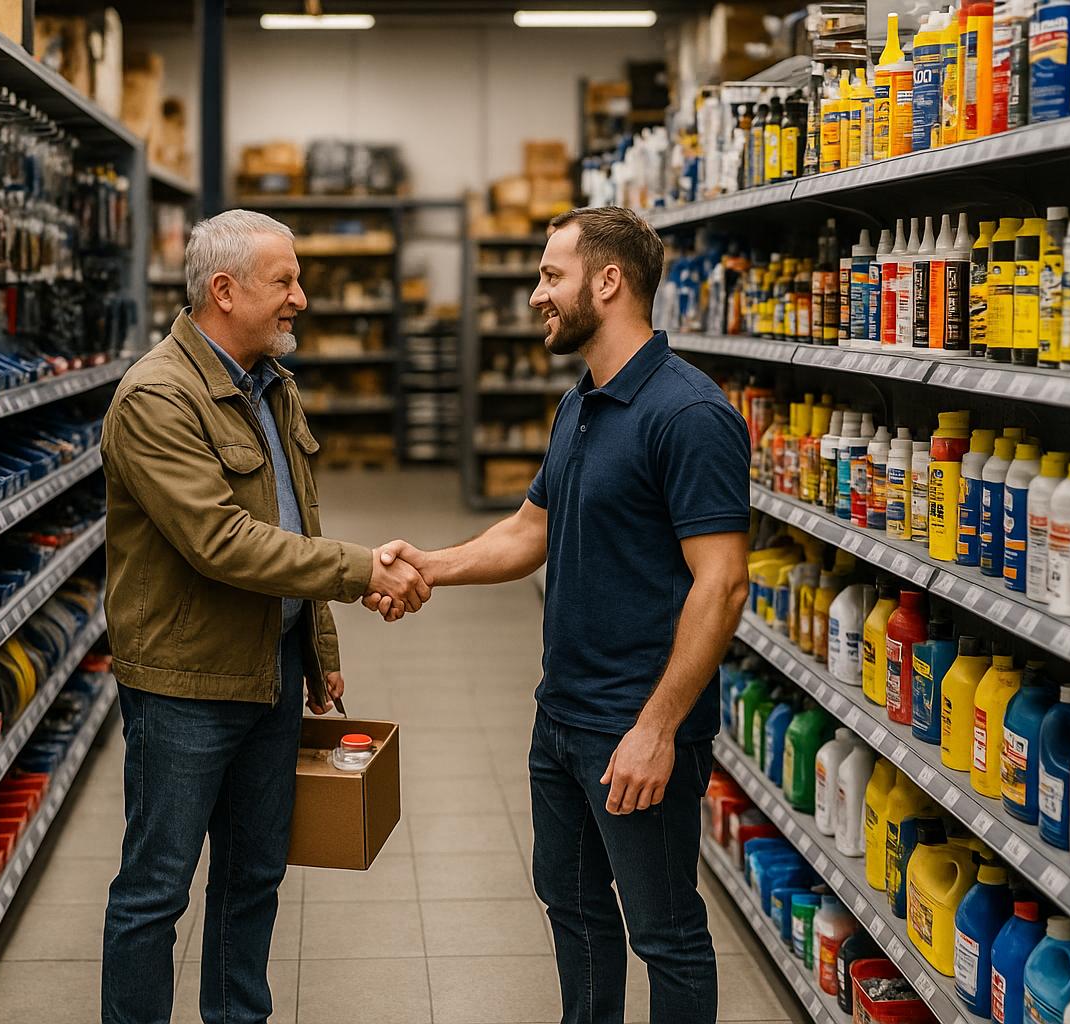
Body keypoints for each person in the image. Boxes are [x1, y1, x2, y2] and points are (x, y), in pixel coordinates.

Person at [366, 206, 751, 1024]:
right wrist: (428, 565)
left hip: (636, 729)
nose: (537, 293)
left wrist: (656, 728)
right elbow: (529, 530)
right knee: (570, 905)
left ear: (607, 282)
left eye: (550, 275)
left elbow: (722, 586)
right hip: (563, 716)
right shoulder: (579, 404)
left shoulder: (690, 415)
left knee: (666, 933)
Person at [98, 208, 430, 1024]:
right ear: (224, 290)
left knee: (254, 875)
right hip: (186, 683)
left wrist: (317, 647)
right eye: (284, 281)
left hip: (271, 670)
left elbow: (294, 518)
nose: (302, 298)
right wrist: (363, 571)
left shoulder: (269, 386)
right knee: (156, 889)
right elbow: (224, 543)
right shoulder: (156, 398)